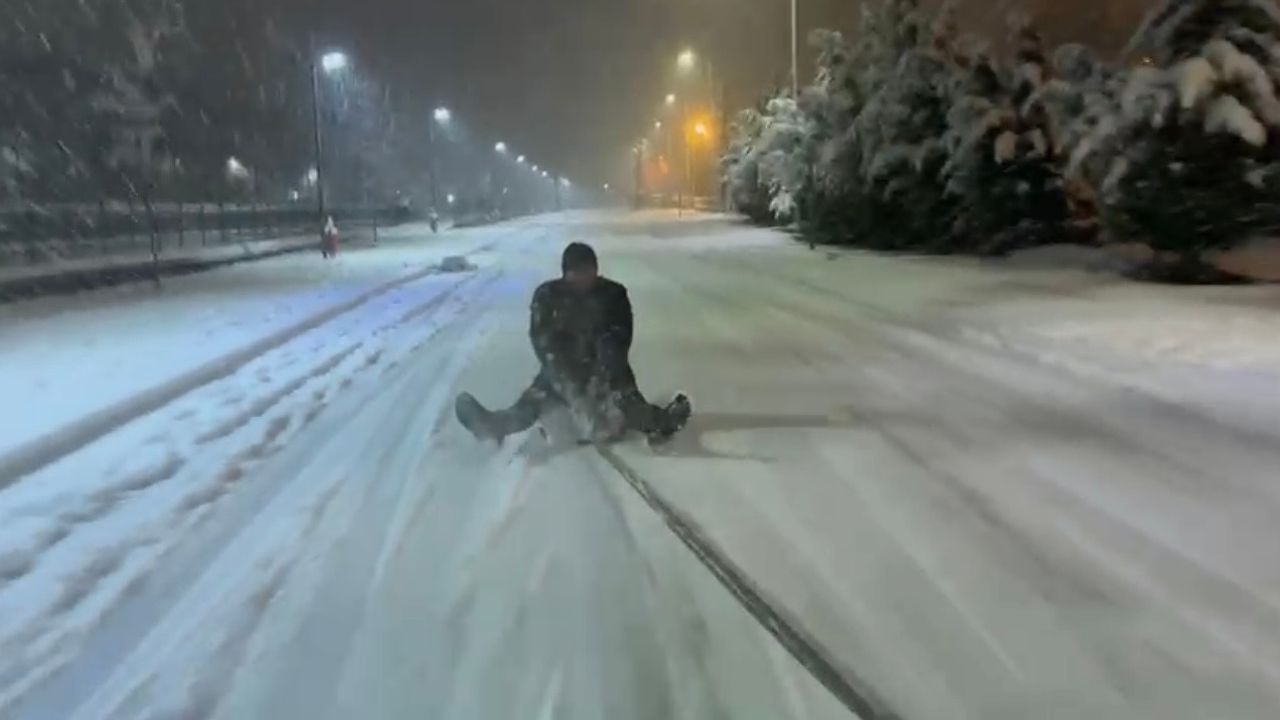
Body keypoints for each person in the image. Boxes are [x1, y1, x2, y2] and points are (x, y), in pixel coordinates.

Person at [456, 242, 690, 444]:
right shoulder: (548, 296)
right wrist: (571, 386)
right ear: (565, 273)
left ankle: (660, 423)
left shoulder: (613, 294)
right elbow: (543, 341)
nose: (583, 278)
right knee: (533, 402)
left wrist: (602, 374)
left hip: (608, 368)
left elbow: (621, 336)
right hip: (561, 370)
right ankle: (494, 425)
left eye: (588, 271)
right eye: (576, 272)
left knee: (626, 401)